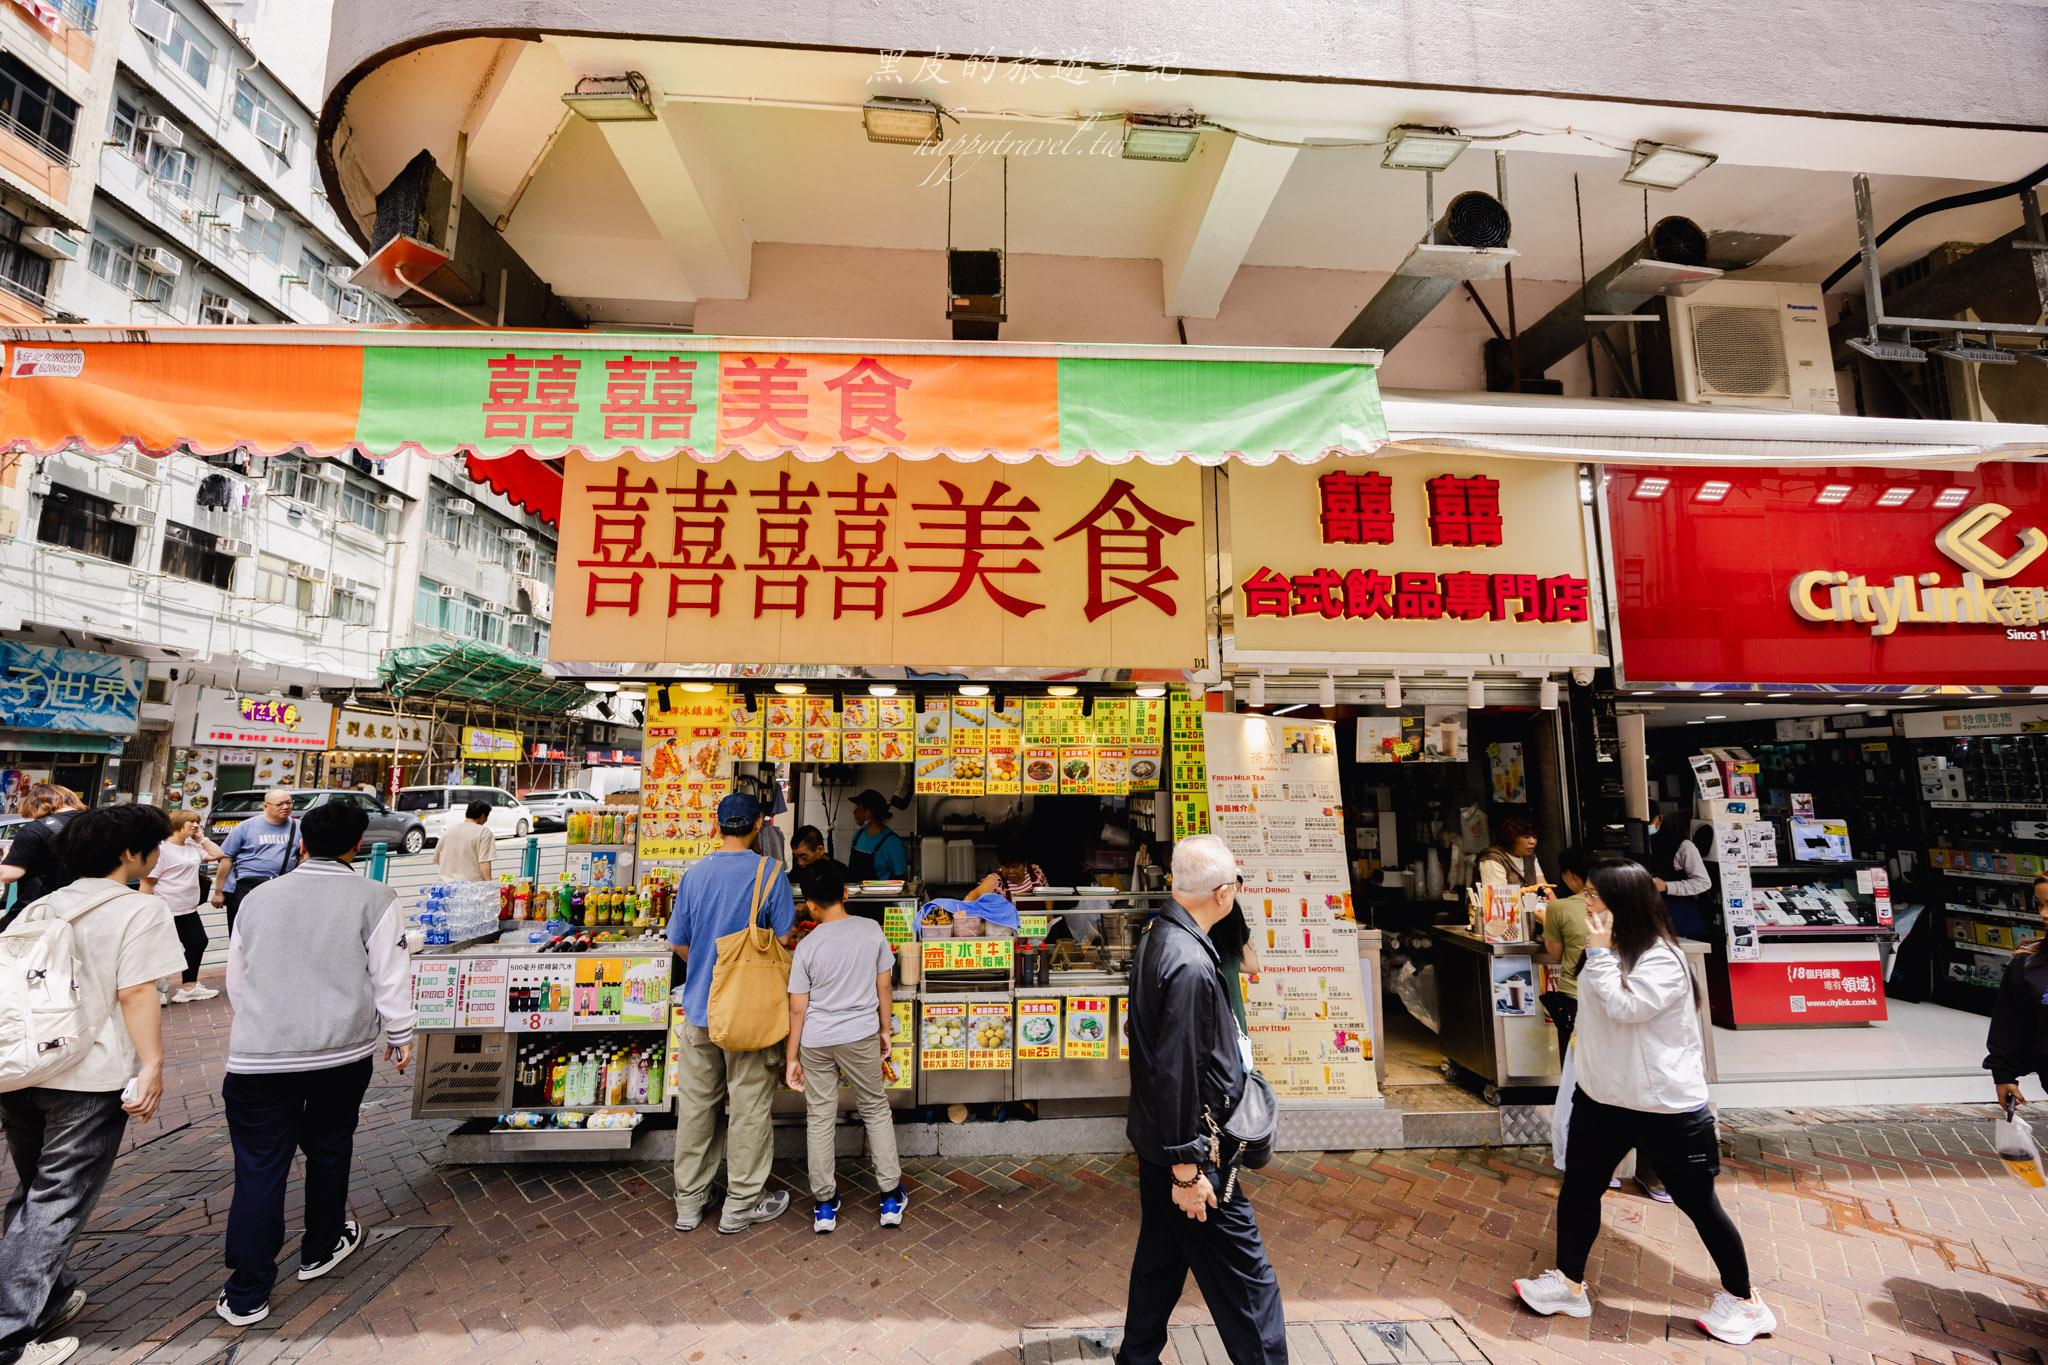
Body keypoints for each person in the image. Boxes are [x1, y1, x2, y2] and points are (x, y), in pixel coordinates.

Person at [1514, 861, 1776, 1346]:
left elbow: (1626, 1008)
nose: (1587, 904)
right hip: (1604, 1100)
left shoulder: (1662, 958)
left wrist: (1596, 955)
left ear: (1624, 905)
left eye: (1596, 896)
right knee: (1579, 1188)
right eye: (1588, 894)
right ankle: (1569, 1283)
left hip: (1666, 1109)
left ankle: (1745, 1301)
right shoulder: (1609, 952)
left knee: (1699, 1204)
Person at [216, 799, 414, 1328]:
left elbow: (239, 977)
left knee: (258, 1168)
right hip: (339, 1054)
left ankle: (247, 1290)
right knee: (329, 1149)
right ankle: (321, 1246)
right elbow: (388, 974)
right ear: (358, 845)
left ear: (302, 842)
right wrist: (400, 1033)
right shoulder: (376, 897)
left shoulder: (258, 897)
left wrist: (263, 1022)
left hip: (258, 1054)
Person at [0, 804, 184, 1365]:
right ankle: (8, 1335)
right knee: (56, 1199)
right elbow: (137, 993)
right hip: (89, 1077)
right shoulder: (137, 911)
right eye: (154, 846)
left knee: (35, 1191)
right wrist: (150, 1065)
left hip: (20, 1071)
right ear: (130, 854)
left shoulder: (41, 905)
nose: (159, 855)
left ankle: (48, 1297)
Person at [1118, 834, 1286, 1365]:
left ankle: (1136, 1358)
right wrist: (1188, 1172)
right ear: (1221, 893)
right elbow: (1177, 1074)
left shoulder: (1160, 934)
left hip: (1158, 1142)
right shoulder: (1188, 962)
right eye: (1235, 884)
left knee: (1160, 1262)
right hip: (1197, 1155)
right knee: (1249, 1284)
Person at [667, 792, 797, 1235]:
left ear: (717, 826)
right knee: (749, 1108)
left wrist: (710, 966)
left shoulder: (694, 875)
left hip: (701, 1009)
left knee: (697, 1108)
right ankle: (741, 1202)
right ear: (759, 825)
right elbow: (782, 940)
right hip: (750, 1015)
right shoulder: (771, 873)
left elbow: (678, 941)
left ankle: (690, 1202)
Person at [785, 861, 907, 1234]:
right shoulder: (871, 931)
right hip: (859, 1033)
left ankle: (824, 1204)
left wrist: (791, 1056)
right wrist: (886, 1030)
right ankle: (889, 1195)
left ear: (810, 906)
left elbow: (797, 1006)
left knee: (820, 1115)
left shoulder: (807, 945)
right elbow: (883, 987)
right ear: (845, 893)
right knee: (874, 1107)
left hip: (817, 1039)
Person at [139, 811, 225, 1004]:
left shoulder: (192, 846)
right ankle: (158, 991)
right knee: (162, 949)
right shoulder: (162, 849)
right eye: (190, 822)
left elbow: (217, 854)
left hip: (187, 907)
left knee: (198, 943)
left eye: (197, 822)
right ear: (177, 823)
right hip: (166, 907)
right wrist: (143, 910)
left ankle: (188, 987)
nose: (195, 825)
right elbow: (148, 881)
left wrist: (201, 838)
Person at [1984, 874, 2048, 1113]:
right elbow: (2009, 1022)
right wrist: (2004, 1073)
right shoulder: (2027, 961)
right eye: (2040, 904)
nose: (2044, 914)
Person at [210, 791, 299, 935]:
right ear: (265, 806)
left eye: (288, 803)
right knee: (242, 933)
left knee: (273, 933)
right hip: (246, 887)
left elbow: (302, 857)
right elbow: (226, 859)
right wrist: (218, 892)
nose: (285, 807)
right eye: (279, 804)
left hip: (281, 887)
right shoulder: (245, 827)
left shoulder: (298, 826)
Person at [0, 785, 87, 927]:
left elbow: (10, 874)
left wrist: (6, 859)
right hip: (87, 907)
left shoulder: (35, 829)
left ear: (35, 804)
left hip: (39, 910)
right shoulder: (99, 822)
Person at [1648, 808, 1714, 941]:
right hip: (1648, 918)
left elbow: (1703, 882)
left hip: (1677, 918)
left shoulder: (1683, 846)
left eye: (1648, 822)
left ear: (1659, 819)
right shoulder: (1634, 845)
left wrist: (1667, 886)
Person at [1208, 902, 1260, 1033]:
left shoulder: (1197, 946)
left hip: (1210, 1019)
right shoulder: (1232, 911)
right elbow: (1252, 966)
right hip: (1234, 1018)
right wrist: (1243, 932)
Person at [1478, 816, 1551, 899]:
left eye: (1534, 837)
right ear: (1511, 839)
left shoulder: (1530, 857)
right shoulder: (1492, 858)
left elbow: (1545, 887)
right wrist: (1527, 890)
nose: (1533, 841)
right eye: (1526, 837)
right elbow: (1497, 897)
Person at [846, 789, 908, 883]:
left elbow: (902, 881)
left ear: (869, 813)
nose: (854, 812)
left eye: (859, 808)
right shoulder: (857, 836)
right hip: (854, 897)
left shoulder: (893, 843)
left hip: (880, 896)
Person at [973, 837, 1048, 904]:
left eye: (1015, 867)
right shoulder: (995, 880)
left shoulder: (1035, 873)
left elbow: (1048, 894)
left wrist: (1049, 914)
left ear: (1024, 864)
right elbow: (973, 895)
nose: (1011, 871)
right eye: (1006, 867)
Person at [434, 800, 494, 882]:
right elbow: (484, 862)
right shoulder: (483, 832)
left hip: (445, 887)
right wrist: (489, 884)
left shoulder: (448, 831)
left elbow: (438, 859)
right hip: (470, 887)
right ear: (483, 816)